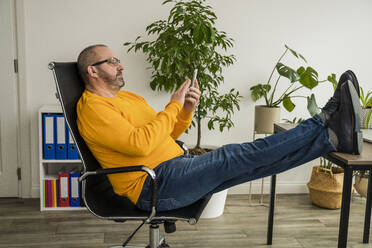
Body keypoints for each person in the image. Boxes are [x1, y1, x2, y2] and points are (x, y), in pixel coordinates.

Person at [76, 44, 362, 211]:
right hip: (152, 185)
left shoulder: (128, 98)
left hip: (173, 166)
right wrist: (173, 105)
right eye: (113, 61)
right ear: (93, 70)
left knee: (259, 165)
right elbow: (139, 144)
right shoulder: (93, 108)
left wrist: (186, 110)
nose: (121, 66)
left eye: (118, 61)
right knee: (235, 155)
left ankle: (333, 138)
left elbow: (164, 135)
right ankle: (323, 120)